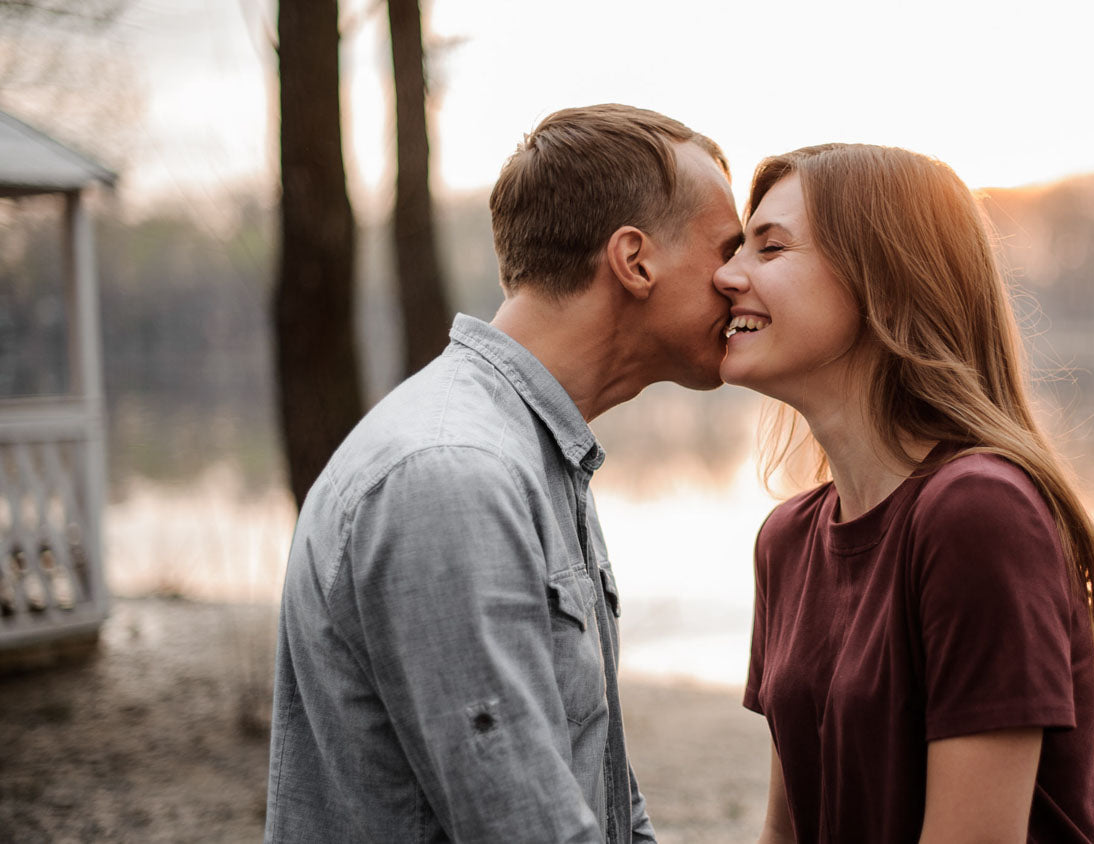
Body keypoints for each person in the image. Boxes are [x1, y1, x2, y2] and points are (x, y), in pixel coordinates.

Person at [264, 104, 743, 843]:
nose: (739, 280)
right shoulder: (453, 475)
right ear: (635, 260)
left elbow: (597, 790)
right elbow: (523, 827)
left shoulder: (531, 452)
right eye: (727, 248)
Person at [714, 144, 1094, 843]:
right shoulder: (787, 541)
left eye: (769, 249)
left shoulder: (979, 514)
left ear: (884, 283)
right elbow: (790, 832)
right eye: (737, 248)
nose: (726, 275)